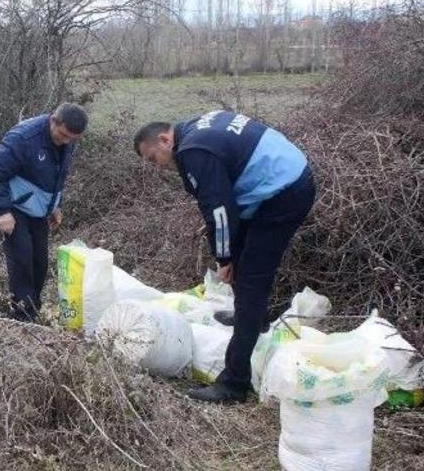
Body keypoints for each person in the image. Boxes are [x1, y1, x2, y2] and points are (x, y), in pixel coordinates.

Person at [133, 110, 316, 403]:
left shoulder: (193, 151)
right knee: (242, 263)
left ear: (165, 139)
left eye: (154, 159)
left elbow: (218, 211)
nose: (158, 167)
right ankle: (249, 317)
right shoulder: (194, 127)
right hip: (284, 178)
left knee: (252, 279)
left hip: (284, 192)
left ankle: (234, 382)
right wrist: (230, 254)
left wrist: (223, 258)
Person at [0, 103, 88, 322]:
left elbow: (56, 175)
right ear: (53, 120)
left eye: (72, 138)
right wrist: (3, 211)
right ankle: (22, 316)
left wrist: (53, 206)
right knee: (22, 256)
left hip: (38, 210)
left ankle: (33, 307)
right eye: (63, 135)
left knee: (40, 260)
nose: (66, 141)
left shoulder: (65, 140)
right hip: (13, 207)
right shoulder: (23, 138)